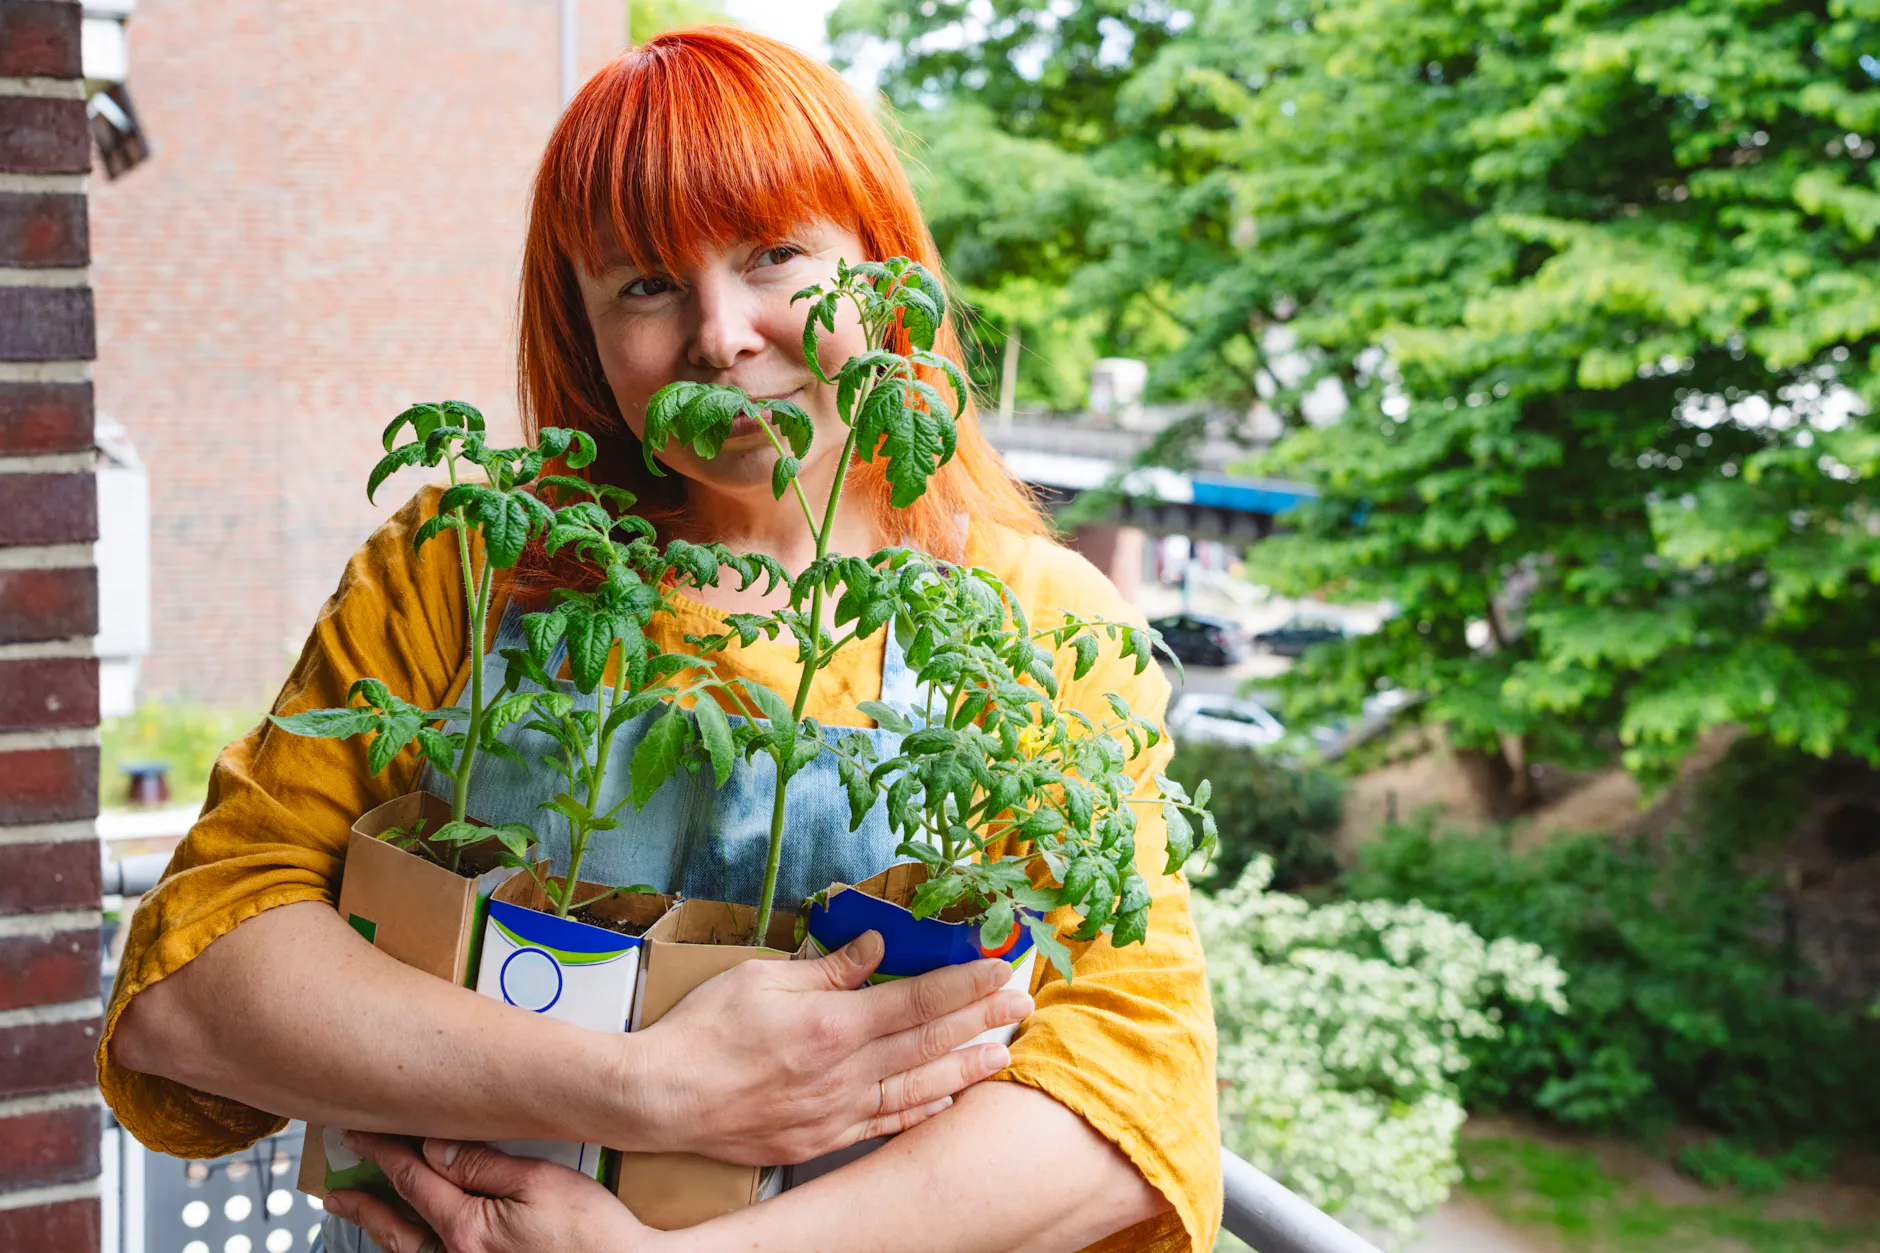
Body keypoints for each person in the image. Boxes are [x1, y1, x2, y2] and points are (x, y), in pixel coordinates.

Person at [101, 25, 1219, 1253]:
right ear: (581, 332)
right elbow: (192, 987)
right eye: (643, 284)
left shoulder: (1035, 623)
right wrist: (647, 1087)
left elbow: (1122, 1089)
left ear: (881, 267)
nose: (721, 334)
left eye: (774, 254)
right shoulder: (467, 561)